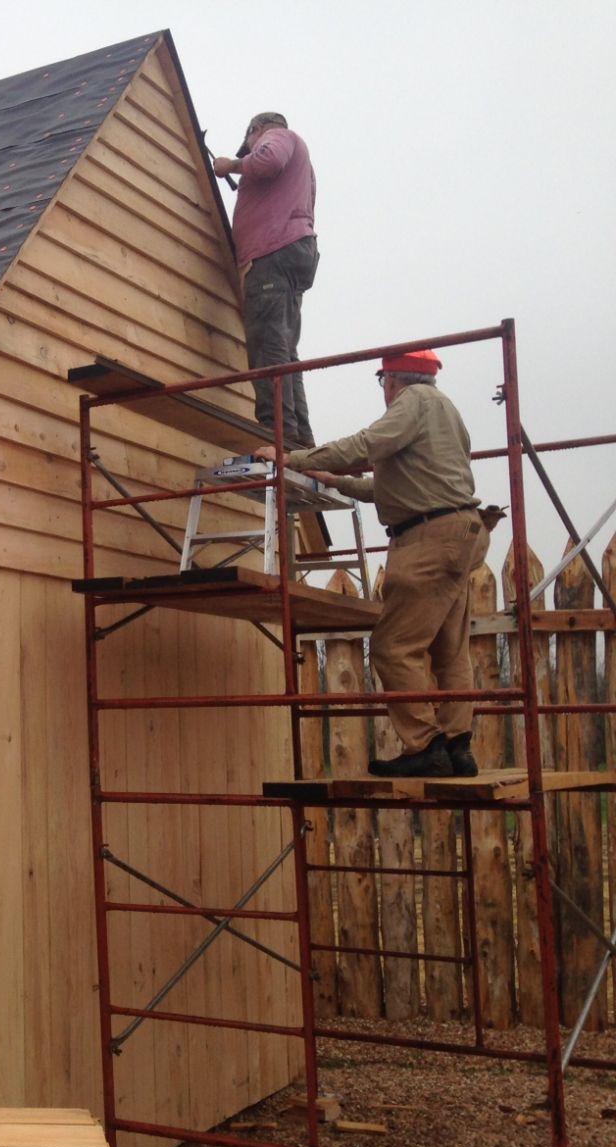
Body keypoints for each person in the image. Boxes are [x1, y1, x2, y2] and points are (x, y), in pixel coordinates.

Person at [254, 350, 489, 778]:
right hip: (459, 531)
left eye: (382, 382)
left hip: (427, 539)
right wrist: (338, 483)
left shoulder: (413, 402)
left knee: (392, 646)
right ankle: (457, 745)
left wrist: (293, 459)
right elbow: (401, 486)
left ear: (391, 380)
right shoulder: (446, 411)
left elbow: (366, 444)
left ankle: (425, 744)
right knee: (449, 648)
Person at [213, 112, 319, 447]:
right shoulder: (301, 164)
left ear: (254, 131)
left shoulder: (278, 138)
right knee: (285, 350)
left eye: (248, 142)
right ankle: (300, 438)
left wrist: (231, 165)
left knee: (267, 344)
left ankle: (278, 433)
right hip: (290, 253)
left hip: (273, 253)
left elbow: (268, 159)